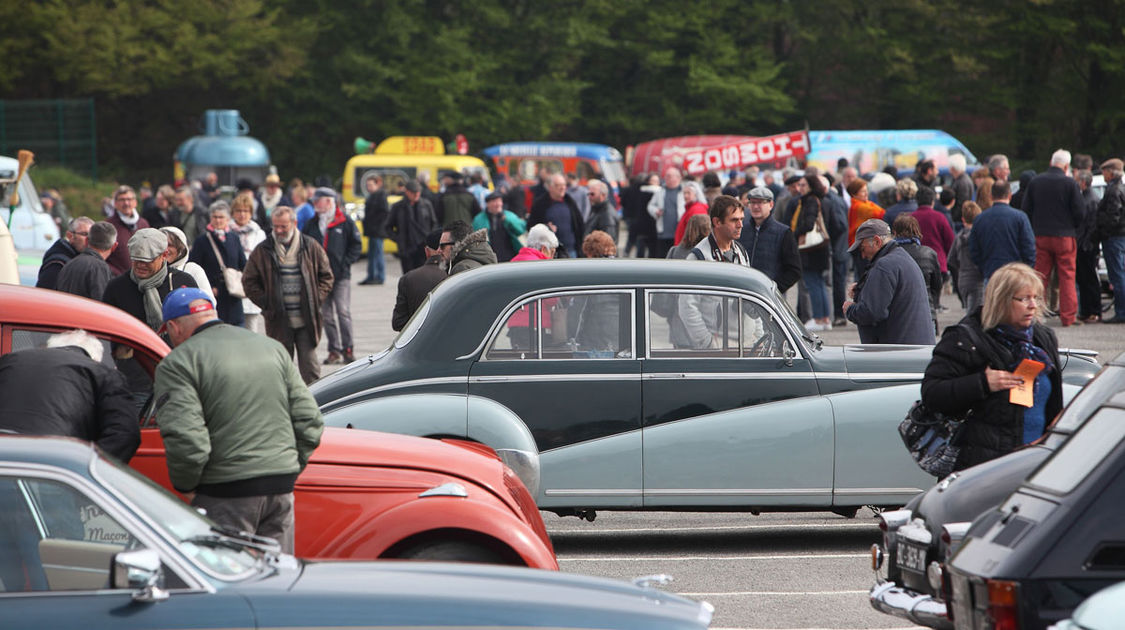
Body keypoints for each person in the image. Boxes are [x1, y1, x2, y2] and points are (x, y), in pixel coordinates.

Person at [153, 287, 324, 553]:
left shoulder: (178, 363)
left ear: (173, 327)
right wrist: (286, 467)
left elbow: (187, 440)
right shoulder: (271, 348)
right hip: (281, 486)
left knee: (231, 583)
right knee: (276, 579)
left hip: (225, 491)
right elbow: (310, 421)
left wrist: (187, 487)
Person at [920, 262, 1062, 471]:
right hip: (984, 469)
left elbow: (1054, 404)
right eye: (1024, 298)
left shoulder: (1042, 338)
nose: (1033, 305)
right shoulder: (965, 338)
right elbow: (932, 394)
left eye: (1036, 298)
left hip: (1036, 464)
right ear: (1001, 301)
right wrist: (982, 383)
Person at [0, 329, 139, 462]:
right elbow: (125, 433)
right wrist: (87, 465)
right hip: (52, 462)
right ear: (95, 358)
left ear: (50, 347)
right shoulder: (102, 373)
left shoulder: (9, 361)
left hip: (6, 455)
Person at [243, 206, 334, 384]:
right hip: (278, 320)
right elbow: (249, 281)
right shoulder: (263, 250)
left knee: (311, 368)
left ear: (294, 223)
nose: (278, 230)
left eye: (283, 226)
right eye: (275, 226)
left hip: (306, 319)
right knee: (280, 370)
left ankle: (316, 405)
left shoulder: (310, 246)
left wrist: (315, 299)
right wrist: (267, 302)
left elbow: (327, 277)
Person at [842, 219, 935, 345]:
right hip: (914, 346)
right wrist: (862, 290)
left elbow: (872, 312)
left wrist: (850, 309)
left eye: (862, 249)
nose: (862, 256)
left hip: (899, 352)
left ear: (877, 241)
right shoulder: (900, 257)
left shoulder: (884, 266)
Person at [1021, 149, 1086, 327]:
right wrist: (1072, 227)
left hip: (1041, 235)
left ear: (1051, 163)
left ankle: (1035, 315)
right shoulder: (1070, 183)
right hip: (1064, 235)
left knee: (1040, 276)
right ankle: (1068, 317)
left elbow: (1026, 208)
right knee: (1067, 277)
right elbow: (1080, 212)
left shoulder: (1036, 181)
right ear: (1066, 166)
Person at [302, 187, 362, 364]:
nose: (314, 204)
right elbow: (303, 246)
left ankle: (348, 348)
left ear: (329, 201)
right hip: (320, 277)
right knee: (326, 315)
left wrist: (345, 263)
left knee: (343, 311)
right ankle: (334, 350)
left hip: (341, 275)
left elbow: (356, 245)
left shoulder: (345, 221)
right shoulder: (312, 223)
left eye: (317, 200)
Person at [102, 228, 198, 333]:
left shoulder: (183, 283)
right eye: (136, 259)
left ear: (164, 255)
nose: (141, 265)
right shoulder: (117, 288)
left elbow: (197, 324)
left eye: (148, 260)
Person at [189, 201, 246, 326]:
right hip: (213, 294)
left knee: (237, 328)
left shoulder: (233, 238)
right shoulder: (202, 240)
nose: (218, 220)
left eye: (221, 217)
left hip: (233, 293)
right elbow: (194, 267)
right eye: (215, 217)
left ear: (228, 219)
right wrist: (208, 286)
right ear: (210, 218)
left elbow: (243, 264)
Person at [789, 175, 833, 331]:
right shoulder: (815, 199)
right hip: (818, 249)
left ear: (812, 186)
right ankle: (825, 318)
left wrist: (793, 233)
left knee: (813, 283)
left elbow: (808, 224)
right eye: (799, 184)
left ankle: (819, 318)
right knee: (818, 283)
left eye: (803, 185)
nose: (799, 188)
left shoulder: (810, 201)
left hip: (811, 249)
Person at [969, 180, 1036, 282]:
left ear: (991, 196)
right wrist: (1025, 269)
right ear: (1010, 196)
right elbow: (1029, 248)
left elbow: (974, 250)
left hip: (991, 273)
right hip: (1015, 273)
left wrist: (984, 268)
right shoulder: (1020, 218)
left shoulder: (980, 219)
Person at [737, 186, 801, 292]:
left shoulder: (783, 232)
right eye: (752, 202)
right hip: (744, 293)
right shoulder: (741, 230)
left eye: (760, 203)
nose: (755, 207)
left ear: (771, 205)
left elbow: (794, 270)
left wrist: (775, 289)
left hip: (768, 298)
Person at [891, 215, 942, 334]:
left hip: (899, 316)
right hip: (927, 313)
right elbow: (937, 285)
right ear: (917, 231)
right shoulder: (929, 254)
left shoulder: (889, 255)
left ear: (894, 232)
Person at [392, 228, 451, 331]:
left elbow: (398, 323)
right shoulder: (455, 276)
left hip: (418, 341)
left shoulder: (408, 279)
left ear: (427, 251)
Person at [229, 196, 268, 332]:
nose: (242, 214)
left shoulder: (259, 233)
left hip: (251, 282)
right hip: (232, 284)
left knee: (251, 328)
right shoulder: (226, 232)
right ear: (233, 213)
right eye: (238, 211)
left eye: (246, 211)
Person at [386, 180, 439, 273]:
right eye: (414, 192)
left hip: (423, 247)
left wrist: (430, 239)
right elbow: (388, 227)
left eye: (418, 192)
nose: (416, 195)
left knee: (422, 276)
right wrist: (398, 239)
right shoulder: (398, 207)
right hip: (406, 248)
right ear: (407, 192)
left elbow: (434, 223)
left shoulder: (426, 205)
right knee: (408, 276)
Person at [1095, 157, 1125, 323]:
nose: (1103, 174)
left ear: (1111, 172)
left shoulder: (1114, 191)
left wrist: (1103, 230)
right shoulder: (1120, 188)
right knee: (1119, 273)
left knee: (1117, 275)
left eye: (1104, 171)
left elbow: (1113, 215)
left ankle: (1121, 311)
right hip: (1119, 236)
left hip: (1114, 237)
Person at [57, 221, 117, 300]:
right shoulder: (100, 268)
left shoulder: (69, 264)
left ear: (86, 241)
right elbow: (101, 305)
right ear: (114, 246)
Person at [529, 172, 584, 258]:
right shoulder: (540, 204)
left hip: (571, 251)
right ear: (550, 187)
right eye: (558, 185)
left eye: (564, 185)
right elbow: (531, 227)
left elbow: (579, 224)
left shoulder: (570, 202)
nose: (563, 188)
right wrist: (545, 227)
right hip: (551, 253)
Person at [686, 195, 749, 265]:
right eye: (734, 220)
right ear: (717, 222)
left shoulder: (741, 251)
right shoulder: (699, 256)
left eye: (741, 219)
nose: (740, 225)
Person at [1074, 169, 1102, 323]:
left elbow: (1091, 225)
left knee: (1089, 279)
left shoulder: (1090, 200)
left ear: (1083, 183)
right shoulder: (1088, 198)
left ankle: (1093, 310)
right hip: (1085, 244)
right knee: (1083, 279)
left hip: (1086, 245)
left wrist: (1086, 243)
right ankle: (1086, 310)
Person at [948, 201, 985, 314]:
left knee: (969, 310)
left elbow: (951, 259)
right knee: (975, 315)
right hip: (977, 279)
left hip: (963, 278)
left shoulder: (959, 236)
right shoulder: (980, 236)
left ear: (963, 219)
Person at [160, 226, 214, 303]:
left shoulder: (192, 269)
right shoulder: (151, 271)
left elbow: (209, 300)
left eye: (170, 245)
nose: (166, 250)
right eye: (162, 245)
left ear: (180, 249)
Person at [37, 217, 93, 290]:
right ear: (70, 236)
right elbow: (44, 293)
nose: (89, 239)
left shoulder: (81, 259)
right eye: (85, 234)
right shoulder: (58, 264)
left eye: (92, 236)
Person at [105, 185, 151, 275]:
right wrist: (116, 274)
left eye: (129, 199)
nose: (126, 203)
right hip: (118, 279)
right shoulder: (108, 226)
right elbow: (101, 255)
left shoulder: (143, 224)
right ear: (115, 203)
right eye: (122, 200)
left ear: (135, 202)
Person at [846, 178, 884, 281]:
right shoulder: (859, 207)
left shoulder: (865, 204)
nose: (866, 193)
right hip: (861, 246)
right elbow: (881, 213)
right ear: (854, 194)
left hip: (861, 244)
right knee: (863, 276)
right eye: (863, 191)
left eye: (866, 190)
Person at [472, 191, 525, 262]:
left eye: (499, 201)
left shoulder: (509, 215)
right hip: (490, 257)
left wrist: (506, 219)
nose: (498, 204)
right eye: (494, 201)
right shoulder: (479, 219)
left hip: (510, 256)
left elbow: (520, 230)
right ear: (488, 204)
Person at [647, 167, 685, 258]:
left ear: (678, 178)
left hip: (679, 232)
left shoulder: (683, 192)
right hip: (663, 233)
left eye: (670, 176)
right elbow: (650, 206)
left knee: (677, 256)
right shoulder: (660, 191)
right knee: (663, 256)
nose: (667, 179)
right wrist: (656, 211)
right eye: (666, 176)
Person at [360, 175, 389, 285]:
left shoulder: (380, 196)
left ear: (377, 184)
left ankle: (379, 276)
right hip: (372, 230)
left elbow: (384, 212)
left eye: (371, 185)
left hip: (377, 230)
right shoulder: (372, 196)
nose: (368, 187)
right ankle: (371, 276)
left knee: (377, 254)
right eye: (367, 185)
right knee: (372, 254)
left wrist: (375, 224)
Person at [672, 181, 708, 246]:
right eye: (684, 193)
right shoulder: (690, 208)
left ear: (696, 194)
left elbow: (694, 234)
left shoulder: (697, 210)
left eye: (688, 193)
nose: (685, 196)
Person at [584, 179, 619, 244]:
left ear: (603, 195)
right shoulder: (596, 209)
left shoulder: (607, 214)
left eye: (592, 194)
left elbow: (608, 244)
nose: (589, 197)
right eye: (588, 194)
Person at [948, 154, 975, 226]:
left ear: (952, 168)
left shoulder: (961, 182)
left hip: (959, 222)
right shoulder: (964, 179)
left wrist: (952, 219)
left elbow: (961, 204)